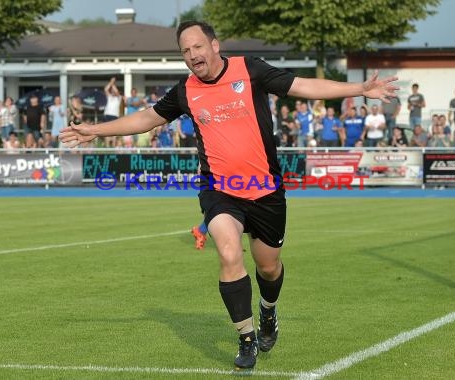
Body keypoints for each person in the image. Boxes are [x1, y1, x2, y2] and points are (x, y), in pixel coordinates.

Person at [60, 21, 398, 370]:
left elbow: (302, 86)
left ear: (215, 45)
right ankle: (246, 338)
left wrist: (359, 88)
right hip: (220, 189)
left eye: (197, 47)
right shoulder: (186, 90)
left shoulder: (249, 70)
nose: (193, 55)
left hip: (267, 190)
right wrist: (95, 131)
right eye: (185, 51)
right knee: (228, 249)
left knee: (268, 267)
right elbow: (148, 117)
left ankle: (268, 312)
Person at [104, 77, 123, 147]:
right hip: (107, 115)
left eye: (113, 90)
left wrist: (113, 83)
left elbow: (117, 92)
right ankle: (107, 147)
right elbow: (106, 89)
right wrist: (111, 82)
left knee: (114, 132)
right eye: (112, 90)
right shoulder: (109, 96)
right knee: (106, 131)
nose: (113, 91)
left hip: (114, 115)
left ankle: (113, 147)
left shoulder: (119, 97)